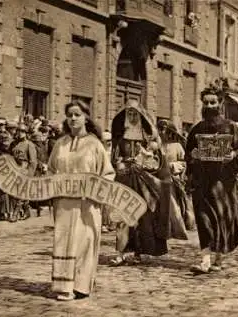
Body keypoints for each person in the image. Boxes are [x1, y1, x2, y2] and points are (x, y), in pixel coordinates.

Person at [48, 99, 115, 301]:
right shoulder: (60, 144)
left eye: (77, 115)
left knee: (85, 241)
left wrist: (94, 191)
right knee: (63, 241)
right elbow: (51, 169)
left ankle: (82, 286)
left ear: (86, 117)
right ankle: (63, 285)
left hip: (88, 203)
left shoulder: (95, 144)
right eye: (70, 115)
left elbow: (108, 173)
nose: (73, 119)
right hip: (63, 202)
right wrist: (53, 185)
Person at [185, 86, 238, 274]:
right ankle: (205, 260)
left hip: (223, 184)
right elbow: (188, 152)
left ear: (220, 103)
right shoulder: (197, 129)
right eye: (206, 102)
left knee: (222, 220)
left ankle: (219, 257)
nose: (209, 105)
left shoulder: (231, 127)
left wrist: (233, 155)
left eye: (213, 102)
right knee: (203, 220)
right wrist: (193, 155)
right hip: (202, 182)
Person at [109, 100, 174, 266]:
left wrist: (146, 158)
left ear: (140, 116)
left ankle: (138, 252)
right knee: (122, 216)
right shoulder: (120, 138)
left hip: (142, 180)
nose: (131, 117)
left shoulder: (147, 139)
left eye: (134, 114)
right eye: (128, 113)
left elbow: (157, 161)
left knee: (141, 217)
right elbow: (114, 158)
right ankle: (120, 253)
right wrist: (119, 163)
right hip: (124, 179)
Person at [158, 119, 195, 231]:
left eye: (163, 129)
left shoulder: (177, 146)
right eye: (159, 129)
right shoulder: (159, 146)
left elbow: (184, 162)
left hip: (173, 178)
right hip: (160, 178)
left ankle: (178, 225)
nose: (160, 132)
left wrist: (172, 166)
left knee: (175, 203)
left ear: (169, 131)